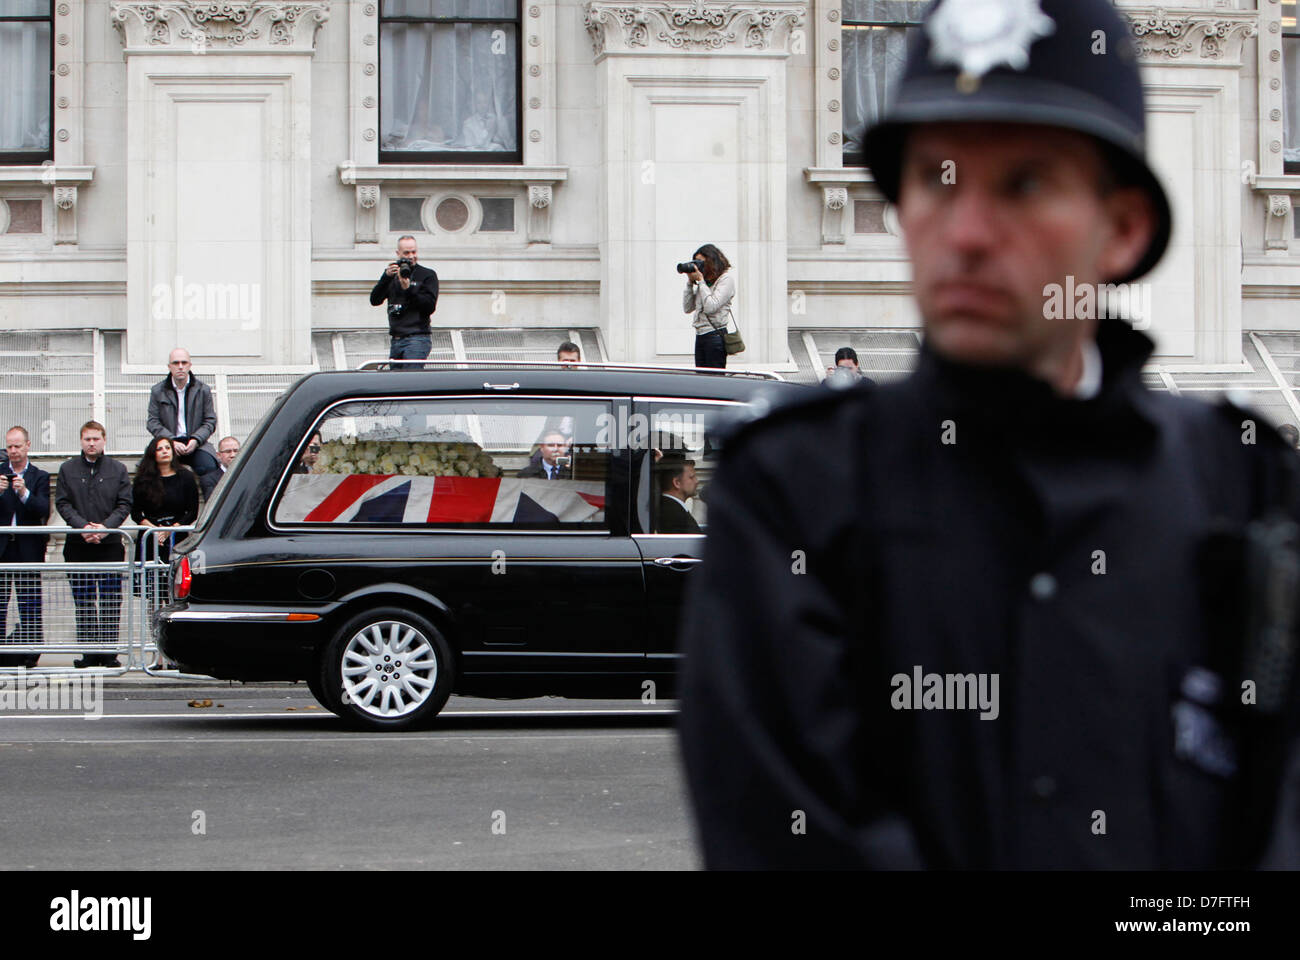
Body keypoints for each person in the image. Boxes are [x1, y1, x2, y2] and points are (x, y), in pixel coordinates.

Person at [679, 0, 1300, 870]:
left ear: (1122, 228)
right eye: (935, 177)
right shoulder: (794, 494)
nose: (965, 233)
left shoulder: (1242, 485)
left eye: (1025, 183)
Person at [55, 421, 132, 669]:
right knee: (84, 599)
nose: (91, 443)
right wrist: (83, 527)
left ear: (104, 440)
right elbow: (63, 503)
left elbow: (124, 504)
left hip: (109, 544)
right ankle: (89, 652)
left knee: (110, 598)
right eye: (87, 439)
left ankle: (109, 653)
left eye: (96, 439)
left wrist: (105, 527)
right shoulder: (67, 469)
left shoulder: (117, 469)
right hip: (79, 545)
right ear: (81, 441)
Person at [0, 426, 49, 667]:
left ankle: (31, 652)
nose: (13, 451)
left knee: (29, 602)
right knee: (0, 602)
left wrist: (24, 493)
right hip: (2, 549)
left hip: (27, 548)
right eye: (9, 446)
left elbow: (43, 509)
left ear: (28, 445)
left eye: (18, 446)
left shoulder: (39, 476)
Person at [146, 347, 221, 498]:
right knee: (148, 469)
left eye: (184, 362)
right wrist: (170, 441)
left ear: (190, 365)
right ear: (169, 367)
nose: (180, 366)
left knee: (210, 468)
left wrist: (196, 439)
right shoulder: (157, 391)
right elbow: (152, 422)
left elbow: (210, 420)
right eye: (176, 363)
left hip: (196, 443)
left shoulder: (203, 390)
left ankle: (210, 515)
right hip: (168, 443)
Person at [370, 235, 439, 368]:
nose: (411, 256)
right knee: (397, 383)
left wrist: (409, 289)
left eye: (414, 252)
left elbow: (429, 307)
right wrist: (386, 277)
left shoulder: (427, 275)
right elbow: (374, 300)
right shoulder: (392, 275)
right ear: (398, 254)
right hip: (396, 339)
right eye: (406, 253)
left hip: (417, 337)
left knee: (409, 380)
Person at [131, 437, 199, 568]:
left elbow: (192, 512)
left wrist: (170, 530)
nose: (165, 451)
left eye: (168, 448)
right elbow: (136, 513)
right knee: (149, 580)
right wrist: (155, 530)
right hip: (150, 534)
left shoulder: (186, 477)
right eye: (159, 449)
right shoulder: (142, 479)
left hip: (177, 535)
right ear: (152, 453)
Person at [681, 244, 736, 370]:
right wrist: (690, 283)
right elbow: (687, 308)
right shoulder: (705, 284)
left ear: (712, 261)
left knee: (715, 381)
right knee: (701, 380)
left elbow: (711, 306)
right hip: (700, 335)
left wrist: (701, 281)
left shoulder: (726, 280)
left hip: (715, 336)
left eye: (701, 262)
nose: (699, 266)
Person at [655, 456, 701, 535]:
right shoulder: (674, 516)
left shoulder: (667, 508)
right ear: (677, 483)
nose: (697, 481)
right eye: (691, 477)